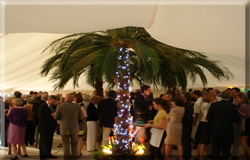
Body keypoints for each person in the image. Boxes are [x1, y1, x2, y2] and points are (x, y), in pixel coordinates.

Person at [206, 90, 239, 160]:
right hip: (228, 129)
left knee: (215, 147)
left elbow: (208, 117)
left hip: (216, 128)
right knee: (226, 148)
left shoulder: (214, 105)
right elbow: (236, 119)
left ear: (221, 96)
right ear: (229, 97)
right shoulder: (233, 107)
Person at [54, 94, 84, 160]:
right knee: (74, 144)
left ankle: (66, 158)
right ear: (72, 99)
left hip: (64, 128)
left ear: (65, 99)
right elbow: (81, 117)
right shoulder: (77, 106)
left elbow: (56, 117)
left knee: (65, 144)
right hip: (74, 128)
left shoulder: (60, 106)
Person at [165, 95, 185, 160]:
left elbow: (168, 117)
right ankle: (181, 157)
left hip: (172, 126)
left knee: (168, 142)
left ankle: (167, 156)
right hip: (179, 125)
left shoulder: (173, 109)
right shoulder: (183, 108)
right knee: (178, 142)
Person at [196, 92, 215, 159]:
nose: (213, 97)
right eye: (212, 96)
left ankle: (198, 155)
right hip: (206, 123)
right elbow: (207, 116)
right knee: (203, 142)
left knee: (200, 142)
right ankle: (201, 157)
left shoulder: (203, 104)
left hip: (201, 123)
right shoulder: (208, 105)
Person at [38, 95, 58, 160]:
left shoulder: (52, 106)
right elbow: (40, 116)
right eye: (53, 101)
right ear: (49, 100)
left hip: (50, 126)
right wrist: (51, 115)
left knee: (49, 141)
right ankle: (43, 155)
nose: (53, 103)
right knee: (43, 141)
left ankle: (48, 153)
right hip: (44, 126)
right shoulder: (42, 106)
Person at [236, 93, 250, 159]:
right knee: (245, 142)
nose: (236, 100)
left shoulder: (244, 105)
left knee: (243, 142)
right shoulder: (246, 105)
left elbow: (247, 115)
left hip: (244, 125)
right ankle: (246, 155)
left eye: (237, 98)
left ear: (242, 99)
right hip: (246, 125)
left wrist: (238, 111)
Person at [73, 93, 87, 158]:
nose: (73, 99)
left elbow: (85, 115)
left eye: (75, 98)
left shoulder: (81, 105)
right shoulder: (78, 105)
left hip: (80, 124)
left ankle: (79, 152)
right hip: (77, 124)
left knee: (79, 138)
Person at [182, 92, 194, 160]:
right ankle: (187, 154)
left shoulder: (187, 106)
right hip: (187, 124)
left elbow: (187, 116)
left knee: (185, 140)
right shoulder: (188, 105)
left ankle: (186, 155)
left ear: (185, 98)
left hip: (186, 124)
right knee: (186, 140)